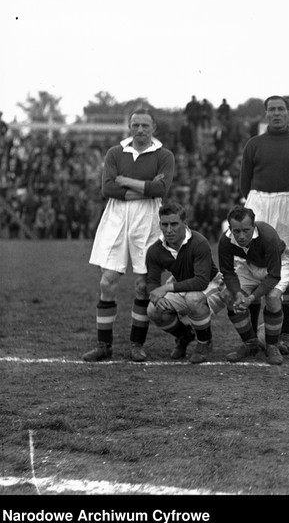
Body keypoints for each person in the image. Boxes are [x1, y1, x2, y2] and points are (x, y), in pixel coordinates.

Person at [83, 107, 175, 362]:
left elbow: (161, 189)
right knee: (107, 281)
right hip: (116, 217)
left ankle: (137, 344)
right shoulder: (115, 152)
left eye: (145, 126)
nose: (140, 130)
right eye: (135, 125)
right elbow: (107, 189)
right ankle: (104, 345)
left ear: (154, 128)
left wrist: (124, 180)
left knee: (144, 284)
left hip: (148, 219)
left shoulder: (164, 155)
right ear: (130, 127)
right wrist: (145, 187)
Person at [240, 95, 289, 355]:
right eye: (272, 109)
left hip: (288, 206)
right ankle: (249, 338)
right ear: (266, 114)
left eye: (281, 109)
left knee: (285, 274)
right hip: (259, 203)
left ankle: (286, 336)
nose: (277, 113)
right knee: (253, 269)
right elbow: (244, 182)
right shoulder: (254, 144)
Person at [218, 205, 289, 366]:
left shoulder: (267, 235)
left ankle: (272, 345)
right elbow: (227, 272)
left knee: (273, 297)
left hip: (280, 262)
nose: (241, 236)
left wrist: (252, 297)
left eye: (246, 230)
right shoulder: (225, 241)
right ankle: (250, 343)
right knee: (228, 295)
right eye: (236, 231)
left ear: (254, 226)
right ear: (230, 228)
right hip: (249, 264)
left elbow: (273, 275)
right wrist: (238, 293)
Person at [144, 201, 219, 364]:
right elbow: (152, 281)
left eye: (174, 224)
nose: (169, 230)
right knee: (153, 310)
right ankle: (184, 336)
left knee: (193, 298)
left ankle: (204, 342)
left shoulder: (199, 242)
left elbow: (201, 282)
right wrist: (156, 295)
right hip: (183, 285)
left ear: (185, 224)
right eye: (164, 225)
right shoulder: (155, 250)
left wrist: (166, 288)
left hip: (213, 285)